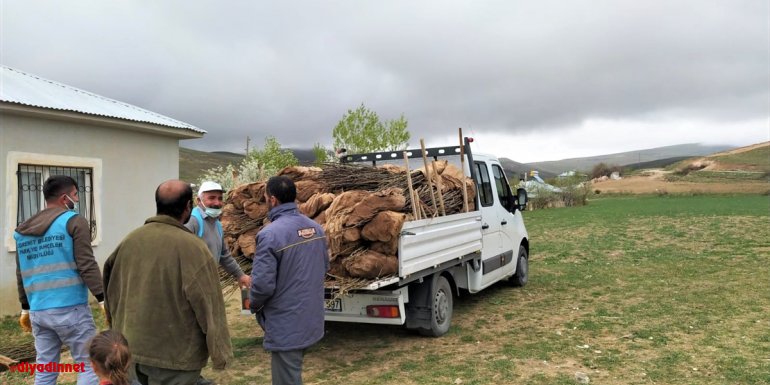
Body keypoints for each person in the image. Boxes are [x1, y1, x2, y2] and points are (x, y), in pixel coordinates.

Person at [103, 180, 232, 385]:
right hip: (174, 357)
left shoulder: (129, 241)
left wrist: (115, 332)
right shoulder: (194, 248)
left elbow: (110, 290)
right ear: (189, 206)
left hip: (131, 349)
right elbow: (210, 306)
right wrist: (221, 354)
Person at [14, 175, 103, 385]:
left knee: (46, 368)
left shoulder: (22, 231)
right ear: (65, 198)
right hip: (71, 310)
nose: (77, 200)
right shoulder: (74, 221)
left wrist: (25, 308)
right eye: (75, 195)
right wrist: (102, 298)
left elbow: (21, 273)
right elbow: (86, 264)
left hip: (38, 312)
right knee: (88, 365)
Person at [250, 176, 329, 385]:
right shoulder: (316, 228)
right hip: (310, 317)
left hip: (286, 322)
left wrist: (254, 304)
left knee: (286, 379)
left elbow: (262, 285)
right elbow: (324, 267)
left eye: (265, 197)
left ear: (272, 200)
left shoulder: (269, 235)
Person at [185, 181, 250, 289]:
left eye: (220, 198)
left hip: (208, 284)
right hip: (192, 287)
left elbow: (224, 255)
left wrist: (240, 275)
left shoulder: (217, 224)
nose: (217, 202)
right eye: (211, 198)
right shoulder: (192, 221)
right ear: (198, 201)